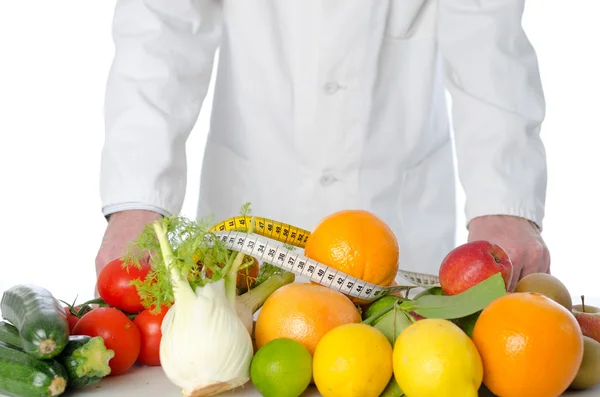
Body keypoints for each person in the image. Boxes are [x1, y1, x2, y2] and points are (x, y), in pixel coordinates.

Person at [96, 0, 550, 291]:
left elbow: (488, 38)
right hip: (253, 209)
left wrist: (503, 202)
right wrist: (138, 200)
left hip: (401, 223)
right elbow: (162, 26)